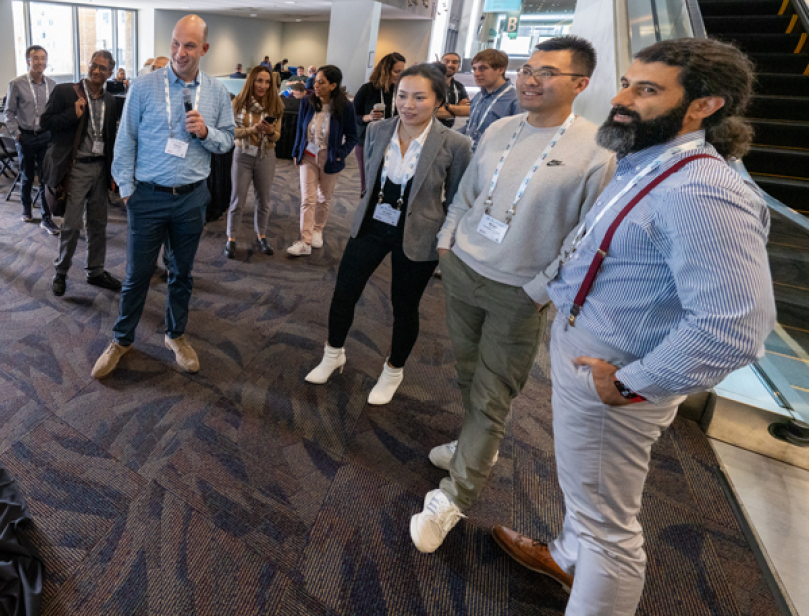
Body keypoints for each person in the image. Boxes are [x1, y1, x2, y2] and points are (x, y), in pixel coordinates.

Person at [493, 37, 774, 616]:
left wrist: (628, 383)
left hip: (615, 379)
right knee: (587, 488)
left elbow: (736, 327)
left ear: (703, 106)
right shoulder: (650, 159)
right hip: (593, 353)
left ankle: (586, 565)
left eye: (647, 90)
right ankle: (567, 558)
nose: (622, 99)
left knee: (608, 529)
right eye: (626, 82)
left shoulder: (702, 189)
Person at [409, 35, 616, 554]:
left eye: (547, 72)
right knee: (466, 369)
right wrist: (447, 241)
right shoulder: (501, 128)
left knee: (492, 392)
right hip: (463, 269)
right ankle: (472, 444)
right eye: (528, 69)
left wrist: (539, 288)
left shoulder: (596, 149)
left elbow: (587, 235)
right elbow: (467, 194)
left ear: (579, 84)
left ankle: (454, 496)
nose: (530, 78)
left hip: (518, 292)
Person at [305, 65, 472, 401]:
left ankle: (393, 370)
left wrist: (445, 242)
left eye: (419, 97)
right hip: (371, 223)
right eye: (402, 95)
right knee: (344, 293)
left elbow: (456, 200)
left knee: (404, 306)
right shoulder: (379, 129)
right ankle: (333, 353)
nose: (408, 104)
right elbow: (369, 177)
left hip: (418, 232)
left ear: (438, 100)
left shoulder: (456, 144)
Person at [92, 15, 235, 379]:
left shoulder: (218, 93)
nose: (179, 52)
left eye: (189, 45)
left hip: (191, 198)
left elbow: (228, 140)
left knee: (181, 273)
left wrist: (206, 133)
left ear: (204, 49)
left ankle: (176, 335)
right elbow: (125, 142)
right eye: (175, 43)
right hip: (148, 197)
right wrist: (127, 191)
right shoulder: (143, 86)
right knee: (136, 274)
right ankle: (122, 339)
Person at [40, 49, 124, 298]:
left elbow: (109, 138)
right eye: (93, 65)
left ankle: (95, 270)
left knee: (99, 223)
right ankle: (61, 271)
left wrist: (112, 172)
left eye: (102, 68)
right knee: (73, 224)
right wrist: (71, 115)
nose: (96, 71)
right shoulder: (67, 91)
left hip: (99, 168)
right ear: (87, 66)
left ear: (110, 73)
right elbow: (45, 123)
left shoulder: (110, 100)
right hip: (75, 167)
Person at [286, 65, 358, 256]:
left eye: (321, 82)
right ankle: (305, 241)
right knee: (307, 199)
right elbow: (300, 130)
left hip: (330, 157)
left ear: (333, 85)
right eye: (315, 81)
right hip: (308, 156)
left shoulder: (345, 107)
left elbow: (352, 136)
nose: (315, 85)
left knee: (323, 198)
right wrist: (296, 152)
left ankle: (318, 229)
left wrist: (340, 153)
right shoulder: (308, 102)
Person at [225, 66, 284, 258]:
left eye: (267, 82)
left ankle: (262, 235)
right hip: (242, 155)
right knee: (237, 200)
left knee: (264, 200)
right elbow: (230, 131)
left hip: (266, 156)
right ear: (251, 81)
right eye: (259, 80)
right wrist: (252, 130)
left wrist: (269, 132)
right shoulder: (237, 103)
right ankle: (231, 238)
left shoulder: (276, 105)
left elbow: (277, 137)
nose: (264, 85)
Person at [5, 45, 58, 235]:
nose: (40, 62)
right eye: (36, 58)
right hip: (26, 136)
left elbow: (54, 111)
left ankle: (46, 218)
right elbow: (9, 112)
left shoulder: (52, 84)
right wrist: (16, 134)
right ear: (28, 61)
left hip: (45, 137)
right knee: (27, 175)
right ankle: (26, 207)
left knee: (45, 178)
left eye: (43, 58)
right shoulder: (17, 84)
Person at [353, 52, 406, 193]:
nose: (400, 75)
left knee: (391, 184)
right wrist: (368, 118)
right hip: (368, 142)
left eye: (402, 71)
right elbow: (352, 117)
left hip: (396, 142)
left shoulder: (403, 91)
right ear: (385, 70)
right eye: (396, 71)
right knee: (369, 185)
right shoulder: (367, 89)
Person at [461, 47, 522, 149]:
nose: (476, 74)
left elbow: (519, 138)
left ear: (501, 69)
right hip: (469, 154)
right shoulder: (479, 96)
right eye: (474, 69)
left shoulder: (515, 101)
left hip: (492, 157)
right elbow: (470, 127)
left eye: (483, 68)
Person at [436, 53, 471, 128]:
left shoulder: (459, 86)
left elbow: (468, 110)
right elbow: (430, 113)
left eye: (454, 62)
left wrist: (447, 107)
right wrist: (457, 109)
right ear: (440, 64)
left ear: (458, 66)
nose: (450, 65)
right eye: (446, 61)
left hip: (447, 131)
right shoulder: (430, 84)